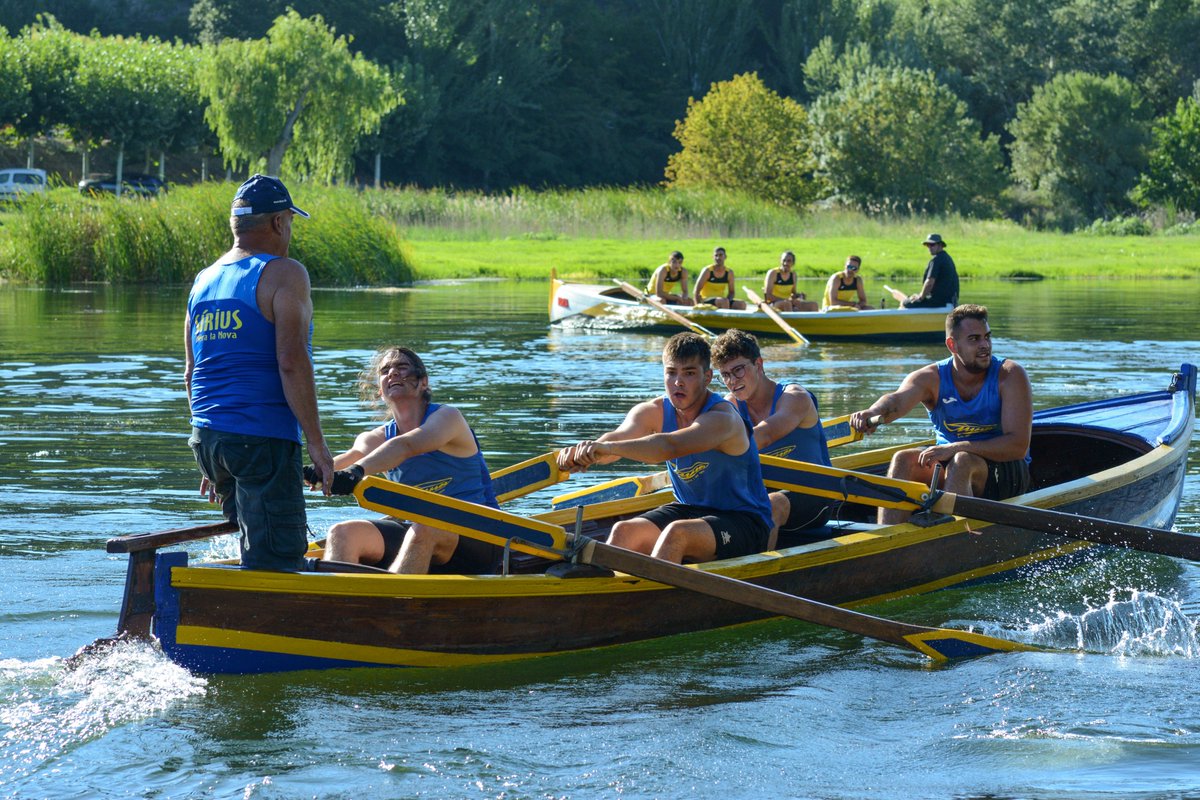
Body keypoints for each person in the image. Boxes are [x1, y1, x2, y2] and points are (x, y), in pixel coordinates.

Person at [185, 174, 334, 571]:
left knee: (254, 544)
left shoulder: (204, 280)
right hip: (261, 438)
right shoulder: (285, 273)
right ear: (278, 223)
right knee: (278, 560)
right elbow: (291, 361)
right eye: (290, 222)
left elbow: (192, 372)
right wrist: (317, 445)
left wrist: (214, 454)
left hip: (208, 437)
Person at [557, 332, 774, 563]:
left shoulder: (722, 419)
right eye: (671, 373)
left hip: (745, 522)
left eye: (689, 373)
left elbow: (669, 446)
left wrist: (607, 448)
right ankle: (599, 594)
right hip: (691, 510)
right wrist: (588, 453)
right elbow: (618, 438)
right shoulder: (652, 411)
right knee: (623, 531)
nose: (678, 382)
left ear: (707, 377)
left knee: (676, 534)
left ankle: (649, 598)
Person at [312, 346, 502, 574]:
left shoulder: (448, 418)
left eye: (402, 368)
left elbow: (406, 446)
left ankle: (391, 602)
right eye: (385, 371)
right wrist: (314, 472)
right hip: (418, 532)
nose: (392, 373)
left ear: (424, 383)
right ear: (380, 391)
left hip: (481, 535)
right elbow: (348, 459)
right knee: (342, 533)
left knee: (424, 528)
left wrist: (356, 473)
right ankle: (339, 602)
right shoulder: (375, 437)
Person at [849, 304, 1032, 525]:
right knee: (903, 459)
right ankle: (885, 541)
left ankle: (952, 542)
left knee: (961, 460)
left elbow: (1017, 446)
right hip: (950, 465)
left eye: (987, 337)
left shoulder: (1010, 375)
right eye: (974, 339)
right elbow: (896, 401)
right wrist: (873, 412)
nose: (985, 345)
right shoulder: (930, 378)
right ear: (952, 345)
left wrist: (956, 447)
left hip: (1005, 470)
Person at [711, 330, 839, 539]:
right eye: (725, 375)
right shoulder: (730, 406)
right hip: (764, 491)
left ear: (758, 365)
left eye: (738, 370)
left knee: (771, 505)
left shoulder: (795, 398)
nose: (732, 381)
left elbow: (766, 435)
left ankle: (758, 567)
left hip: (817, 494)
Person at [901, 233, 959, 308]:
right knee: (911, 299)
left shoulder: (936, 260)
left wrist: (920, 297)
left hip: (939, 303)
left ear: (940, 245)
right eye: (928, 245)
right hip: (950, 302)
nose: (929, 247)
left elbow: (929, 283)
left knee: (906, 303)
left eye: (932, 245)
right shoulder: (947, 258)